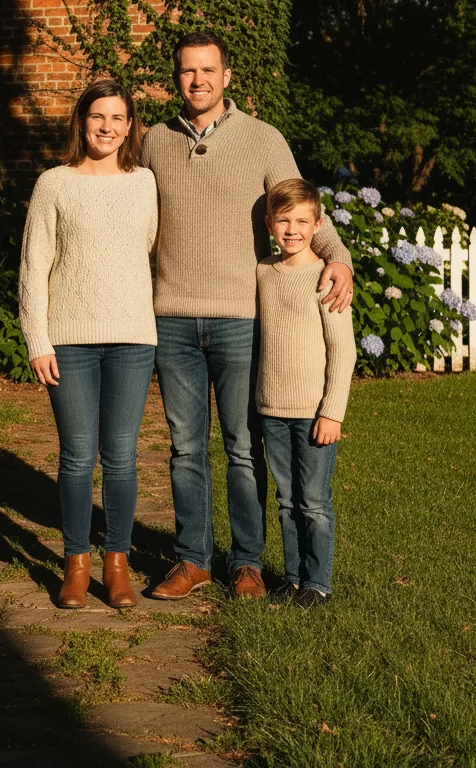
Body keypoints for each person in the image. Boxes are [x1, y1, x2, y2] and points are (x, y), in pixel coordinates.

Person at [142, 31, 354, 602]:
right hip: (173, 319)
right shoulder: (154, 142)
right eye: (188, 71)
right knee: (186, 447)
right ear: (176, 78)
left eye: (208, 70)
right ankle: (191, 560)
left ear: (227, 76)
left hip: (240, 318)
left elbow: (301, 204)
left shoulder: (263, 139)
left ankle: (247, 564)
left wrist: (340, 257)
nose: (198, 80)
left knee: (241, 447)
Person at [19, 80, 158, 609]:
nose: (106, 127)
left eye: (117, 118)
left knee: (121, 455)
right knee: (78, 456)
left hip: (131, 337)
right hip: (70, 341)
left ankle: (116, 565)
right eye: (97, 116)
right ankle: (75, 565)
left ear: (129, 126)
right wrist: (38, 338)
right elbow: (34, 265)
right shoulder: (54, 183)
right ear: (81, 122)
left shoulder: (144, 182)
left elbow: (146, 249)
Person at [257, 179, 355, 606]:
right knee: (286, 499)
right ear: (269, 224)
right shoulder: (262, 272)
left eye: (301, 221)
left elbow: (344, 351)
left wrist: (332, 412)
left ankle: (318, 583)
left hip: (314, 412)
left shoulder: (326, 278)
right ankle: (293, 578)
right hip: (271, 408)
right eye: (283, 220)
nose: (292, 229)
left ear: (318, 225)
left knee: (313, 500)